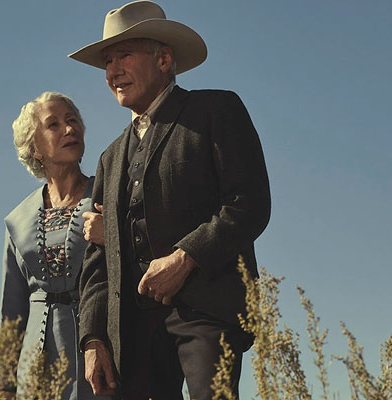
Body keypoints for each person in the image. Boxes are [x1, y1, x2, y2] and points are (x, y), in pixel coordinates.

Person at [69, 1, 271, 399]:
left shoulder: (215, 110)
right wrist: (93, 338)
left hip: (207, 313)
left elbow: (248, 203)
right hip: (131, 332)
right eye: (108, 62)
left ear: (163, 59)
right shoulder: (110, 158)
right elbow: (97, 262)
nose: (113, 71)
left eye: (124, 56)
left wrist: (185, 258)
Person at [0, 91, 109, 399]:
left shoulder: (107, 195)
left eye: (72, 121)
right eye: (54, 124)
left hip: (99, 345)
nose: (69, 129)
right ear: (35, 148)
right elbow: (12, 310)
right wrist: (4, 385)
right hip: (34, 359)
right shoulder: (17, 220)